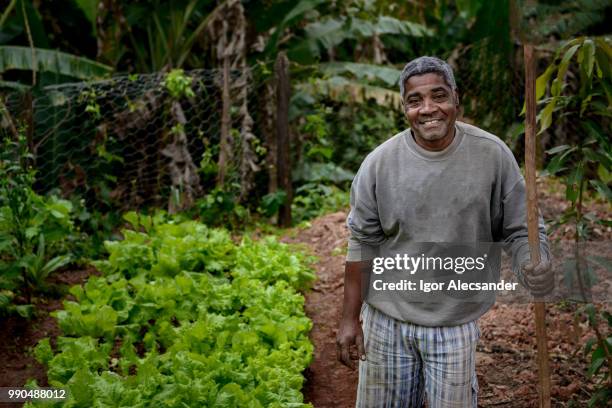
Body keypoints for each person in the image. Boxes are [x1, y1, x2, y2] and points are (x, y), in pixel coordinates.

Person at [336, 56, 554, 408]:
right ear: (404, 108)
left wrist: (535, 261)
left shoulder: (492, 156)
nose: (428, 109)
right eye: (414, 100)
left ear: (456, 99)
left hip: (454, 322)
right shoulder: (379, 163)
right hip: (386, 318)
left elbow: (522, 229)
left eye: (438, 96)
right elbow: (362, 242)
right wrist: (349, 318)